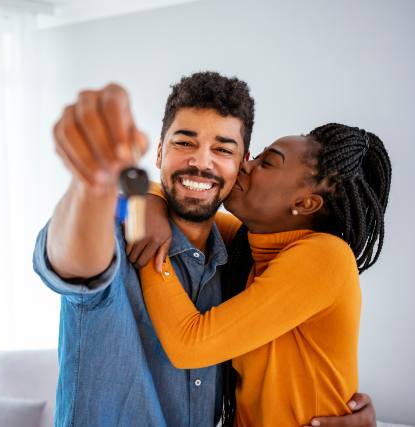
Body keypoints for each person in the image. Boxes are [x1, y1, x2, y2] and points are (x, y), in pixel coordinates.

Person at [33, 72, 376, 426]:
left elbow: (191, 345)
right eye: (184, 143)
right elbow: (71, 256)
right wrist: (111, 188)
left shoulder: (300, 255)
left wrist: (144, 217)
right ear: (160, 151)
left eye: (225, 150)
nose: (204, 162)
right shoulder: (231, 245)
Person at [136, 123, 391, 425]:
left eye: (267, 162)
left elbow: (189, 345)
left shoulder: (326, 256)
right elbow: (169, 205)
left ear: (305, 203)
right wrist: (151, 205)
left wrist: (149, 244)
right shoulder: (251, 247)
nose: (245, 162)